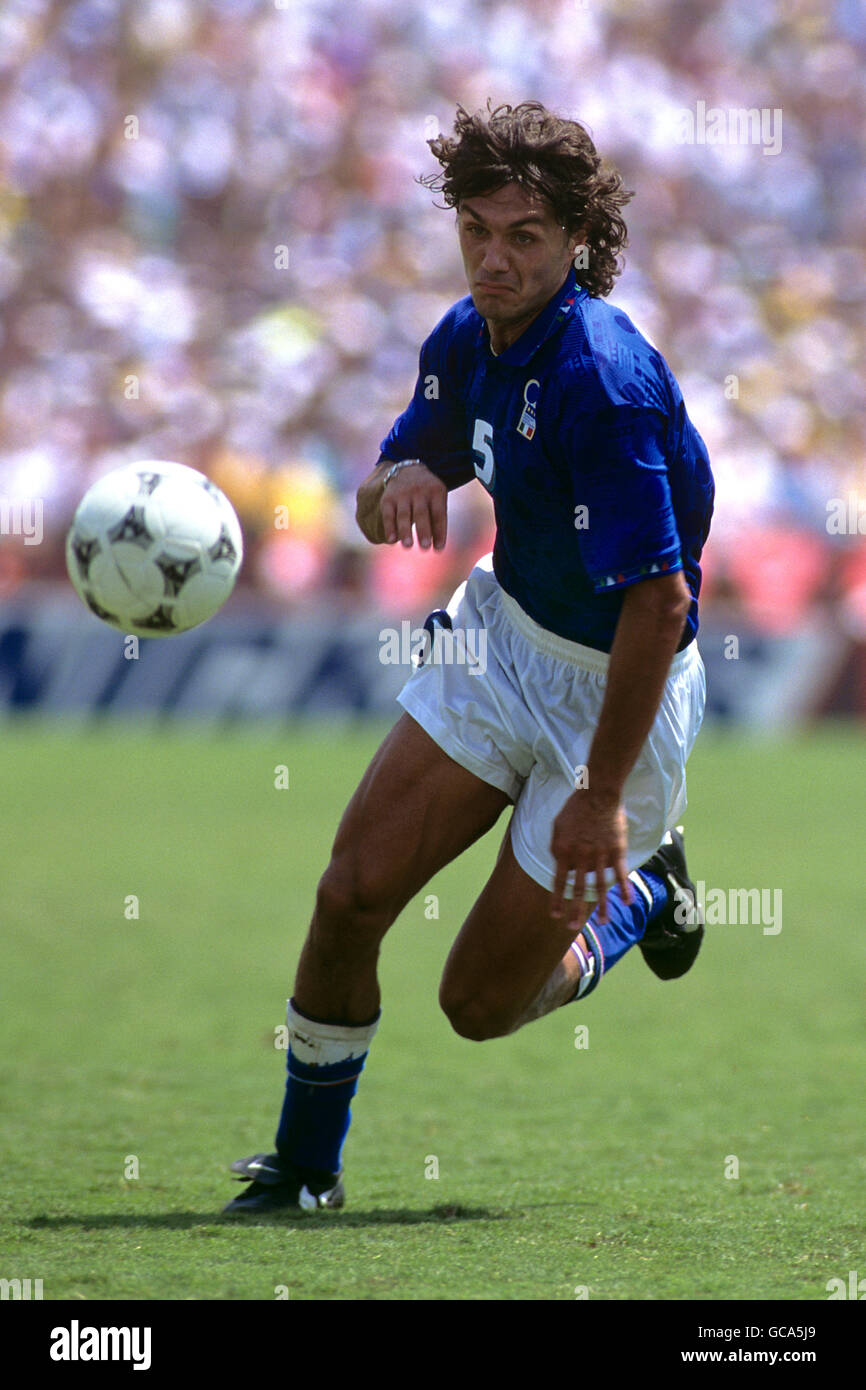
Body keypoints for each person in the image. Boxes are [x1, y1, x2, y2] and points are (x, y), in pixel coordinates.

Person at [224, 101, 714, 1215]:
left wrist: (598, 793)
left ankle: (642, 892)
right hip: (500, 643)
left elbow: (658, 599)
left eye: (524, 237)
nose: (494, 257)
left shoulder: (602, 380)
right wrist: (394, 481)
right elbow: (408, 470)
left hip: (617, 694)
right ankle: (304, 1165)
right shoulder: (464, 333)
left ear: (576, 243)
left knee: (478, 1004)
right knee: (350, 894)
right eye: (477, 230)